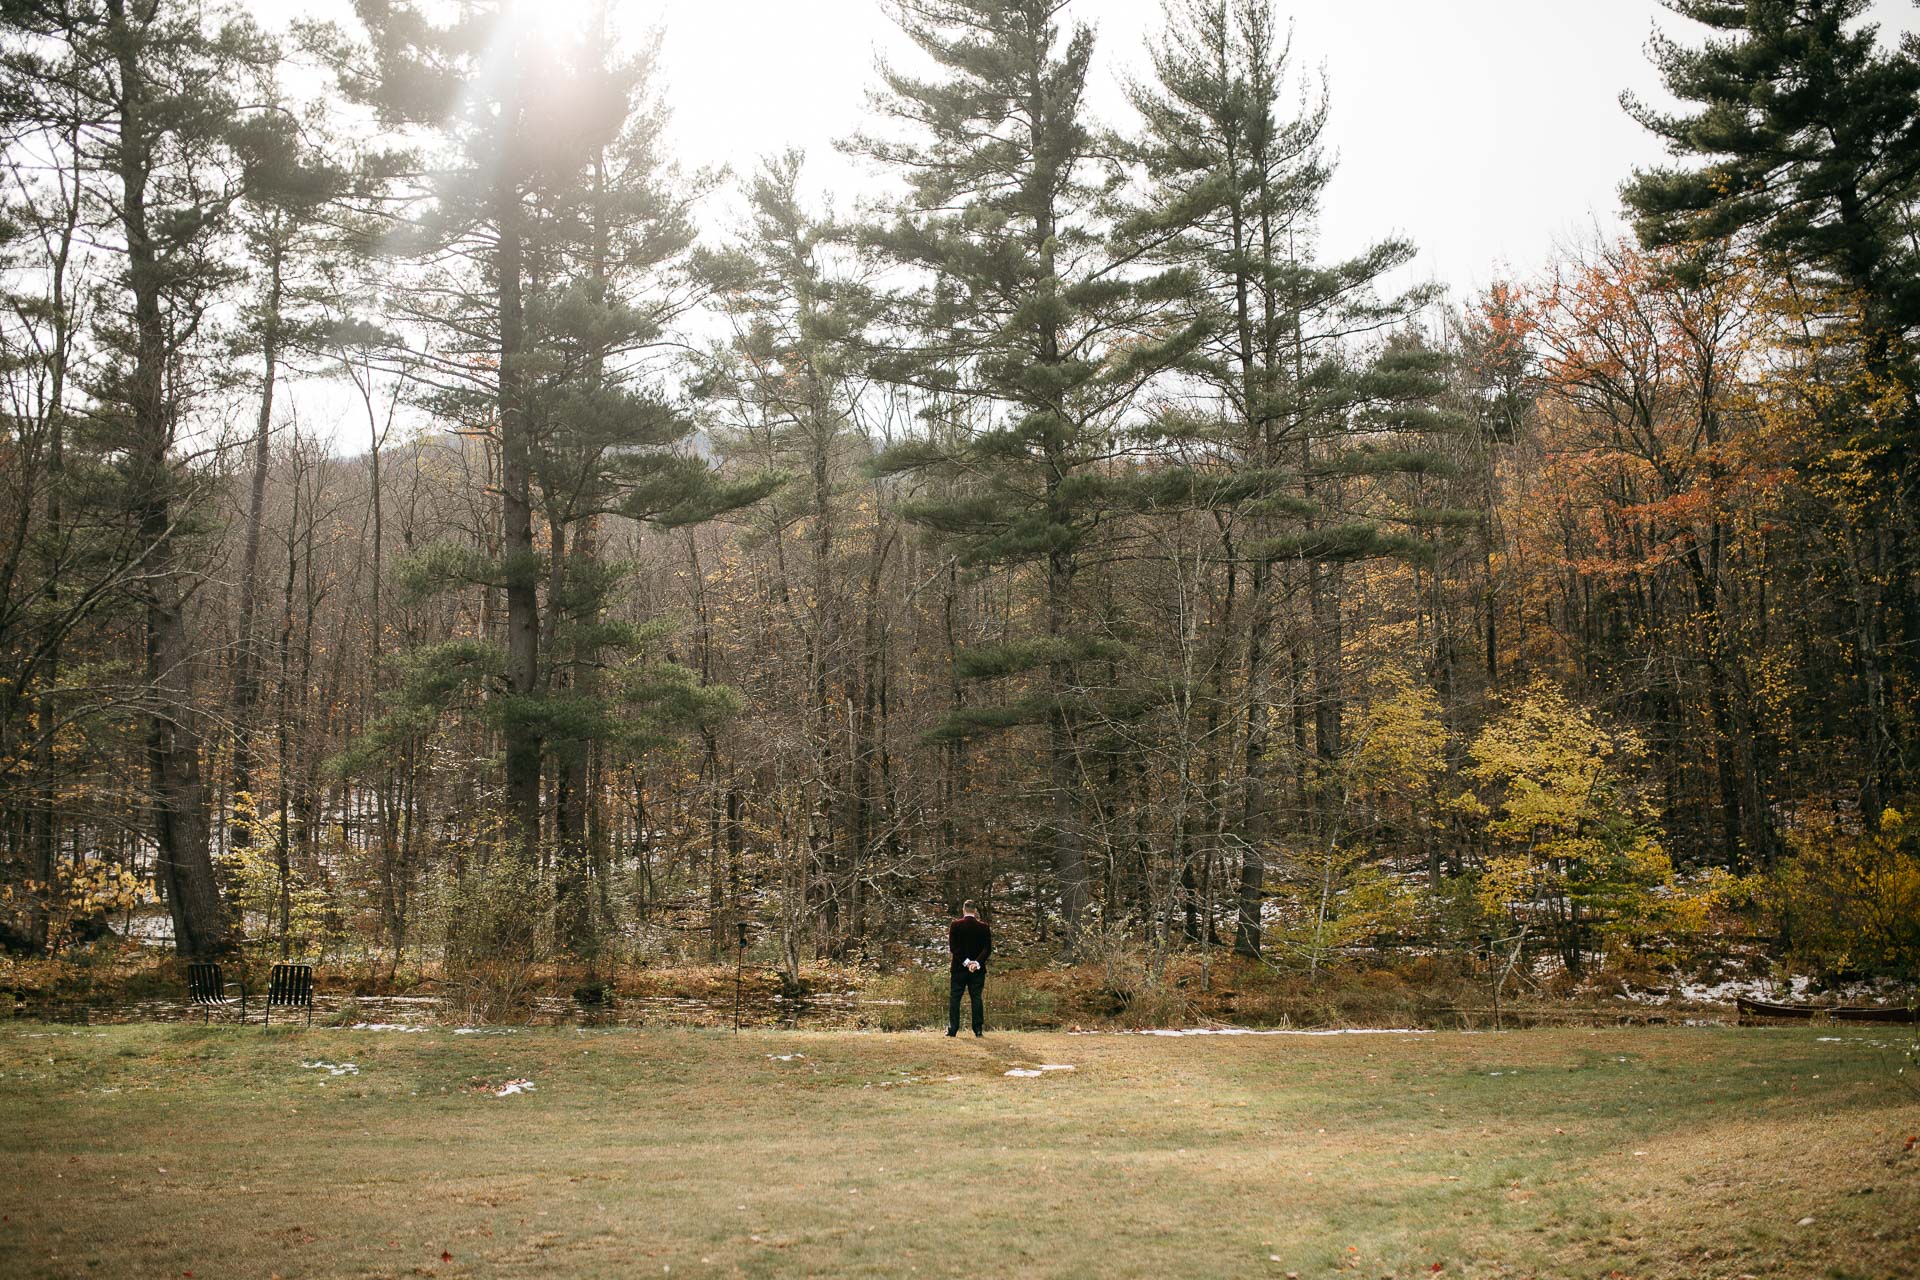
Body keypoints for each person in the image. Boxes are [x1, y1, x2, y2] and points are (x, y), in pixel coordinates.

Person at [947, 900, 991, 1037]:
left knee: (955, 998)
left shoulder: (955, 925)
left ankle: (953, 1029)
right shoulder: (984, 927)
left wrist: (966, 962)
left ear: (963, 909)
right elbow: (987, 949)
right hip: (977, 970)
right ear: (975, 910)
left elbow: (954, 948)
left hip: (959, 969)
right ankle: (978, 1030)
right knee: (976, 998)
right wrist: (976, 963)